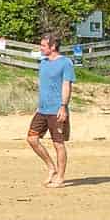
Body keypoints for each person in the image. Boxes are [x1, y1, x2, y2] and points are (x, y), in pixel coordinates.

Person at [26, 33, 75, 187]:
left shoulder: (65, 63)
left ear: (53, 47)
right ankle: (51, 167)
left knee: (58, 144)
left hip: (57, 109)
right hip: (42, 110)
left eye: (43, 46)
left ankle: (60, 177)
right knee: (32, 139)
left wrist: (63, 106)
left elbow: (66, 85)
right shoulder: (43, 63)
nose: (41, 48)